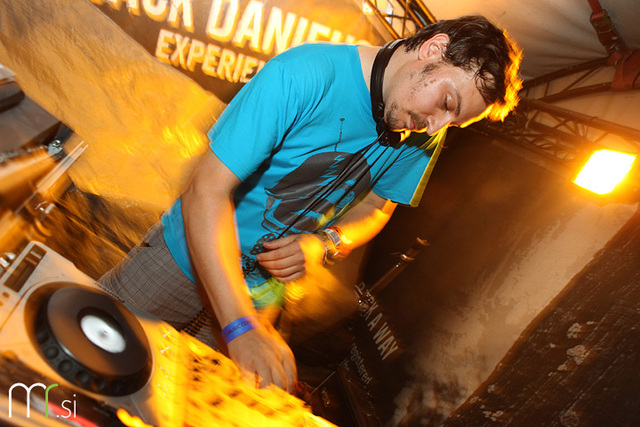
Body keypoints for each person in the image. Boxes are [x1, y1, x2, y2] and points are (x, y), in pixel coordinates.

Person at [99, 15, 521, 393]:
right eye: (446, 104)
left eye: (453, 122)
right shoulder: (304, 74)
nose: (435, 128)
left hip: (262, 294)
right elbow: (205, 192)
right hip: (183, 259)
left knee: (185, 405)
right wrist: (239, 325)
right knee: (95, 358)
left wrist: (325, 242)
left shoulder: (424, 127)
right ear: (433, 49)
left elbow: (377, 207)